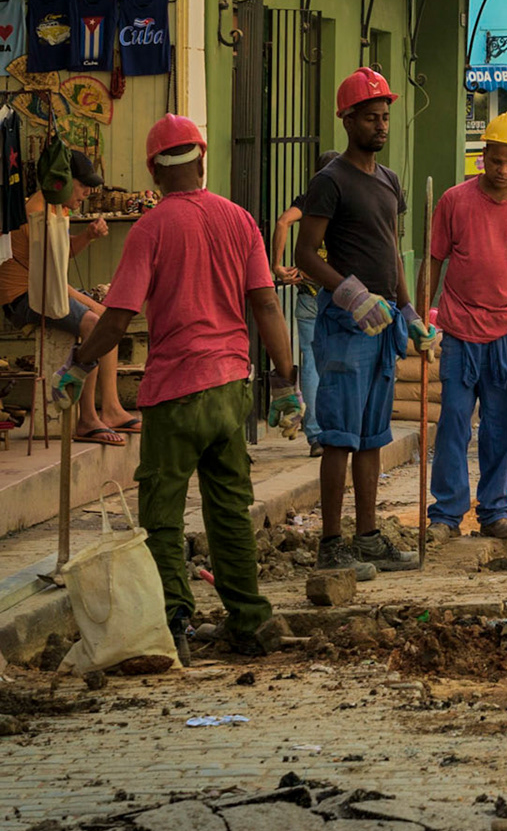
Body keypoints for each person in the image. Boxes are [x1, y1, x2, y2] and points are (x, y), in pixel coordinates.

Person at [52, 115, 302, 658]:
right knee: (230, 510)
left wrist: (76, 365)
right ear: (202, 161)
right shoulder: (239, 220)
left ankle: (174, 625)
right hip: (232, 388)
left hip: (174, 394)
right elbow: (265, 304)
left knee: (162, 516)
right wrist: (286, 381)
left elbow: (116, 320)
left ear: (154, 172)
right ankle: (250, 621)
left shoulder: (150, 229)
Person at [296, 67, 430, 577]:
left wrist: (408, 308)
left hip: (384, 323)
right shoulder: (328, 182)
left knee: (374, 435)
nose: (381, 125)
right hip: (347, 325)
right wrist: (351, 295)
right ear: (347, 121)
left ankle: (368, 536)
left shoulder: (389, 180)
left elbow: (392, 250)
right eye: (371, 117)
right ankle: (333, 542)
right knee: (339, 435)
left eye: (385, 117)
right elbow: (307, 254)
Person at [424, 112, 507, 541]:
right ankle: (446, 514)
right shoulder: (454, 201)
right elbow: (434, 260)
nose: (503, 171)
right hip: (460, 330)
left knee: (502, 424)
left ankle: (495, 510)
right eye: (496, 161)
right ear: (483, 157)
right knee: (454, 422)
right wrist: (420, 317)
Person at [0, 144, 135, 445]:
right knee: (97, 324)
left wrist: (86, 236)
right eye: (83, 184)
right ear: (60, 179)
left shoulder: (55, 210)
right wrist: (96, 308)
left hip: (42, 290)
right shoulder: (38, 214)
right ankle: (87, 419)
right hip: (22, 299)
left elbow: (58, 260)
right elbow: (52, 283)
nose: (87, 192)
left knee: (105, 317)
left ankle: (111, 408)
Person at [271, 150, 340, 458]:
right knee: (341, 364)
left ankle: (316, 436)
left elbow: (283, 222)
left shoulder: (308, 201)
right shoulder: (346, 199)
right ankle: (340, 430)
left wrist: (277, 265)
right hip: (341, 295)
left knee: (311, 364)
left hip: (308, 293)